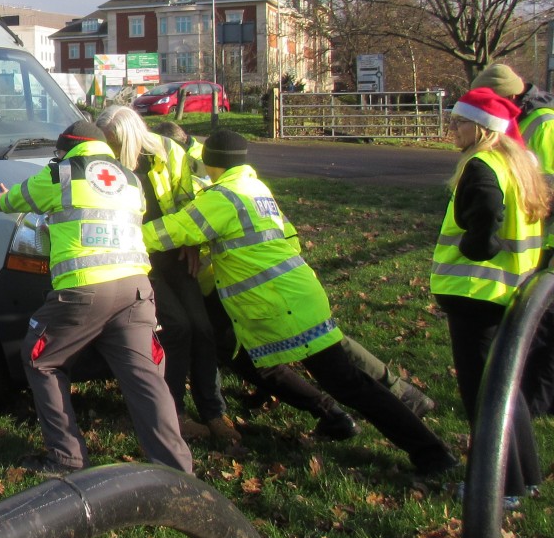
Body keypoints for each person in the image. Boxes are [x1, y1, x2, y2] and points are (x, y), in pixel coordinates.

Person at [143, 129, 458, 475]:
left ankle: (432, 454)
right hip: (297, 293)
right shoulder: (255, 189)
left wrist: (113, 228)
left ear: (211, 162)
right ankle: (339, 422)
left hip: (281, 306)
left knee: (347, 383)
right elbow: (278, 237)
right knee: (279, 365)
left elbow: (166, 232)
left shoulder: (222, 198)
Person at [0, 120, 193, 476]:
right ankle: (176, 470)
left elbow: (18, 198)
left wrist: (1, 200)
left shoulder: (63, 173)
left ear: (67, 149)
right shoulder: (130, 179)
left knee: (41, 358)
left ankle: (66, 458)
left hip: (83, 290)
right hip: (136, 290)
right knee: (146, 378)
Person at [96, 106, 239, 445]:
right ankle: (173, 412)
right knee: (176, 328)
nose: (111, 149)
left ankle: (213, 411)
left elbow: (192, 199)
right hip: (136, 257)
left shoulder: (168, 153)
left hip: (173, 252)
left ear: (130, 137)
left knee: (202, 328)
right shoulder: (106, 163)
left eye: (114, 142)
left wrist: (192, 241)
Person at [432, 87, 548, 501]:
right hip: (507, 291)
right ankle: (525, 476)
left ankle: (498, 487)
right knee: (504, 387)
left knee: (482, 395)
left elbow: (486, 214)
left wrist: (476, 246)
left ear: (482, 129)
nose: (452, 130)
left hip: (475, 293)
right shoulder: (517, 162)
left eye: (458, 123)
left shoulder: (480, 165)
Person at [471, 62, 554, 417]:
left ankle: (536, 402)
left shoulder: (543, 124)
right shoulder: (524, 121)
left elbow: (546, 186)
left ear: (509, 96)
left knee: (546, 325)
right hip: (538, 238)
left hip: (547, 238)